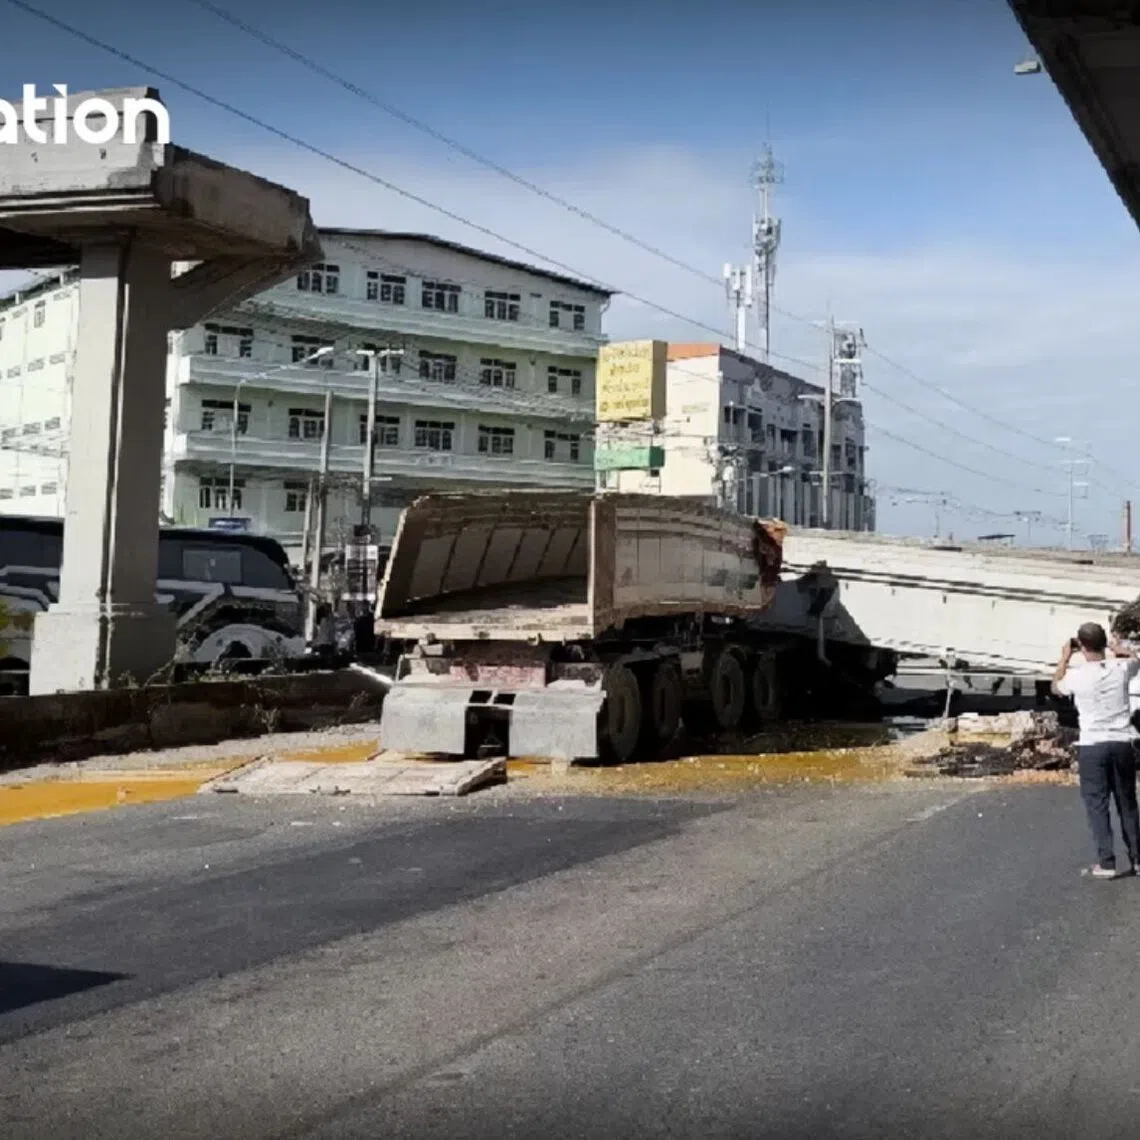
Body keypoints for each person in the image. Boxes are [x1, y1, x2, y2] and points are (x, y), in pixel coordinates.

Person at [1052, 622, 1140, 879]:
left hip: (1093, 744)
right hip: (1122, 741)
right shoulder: (1121, 668)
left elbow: (1055, 687)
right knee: (1127, 802)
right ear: (1103, 644)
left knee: (1096, 804)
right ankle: (1137, 858)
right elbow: (1135, 659)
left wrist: (1065, 658)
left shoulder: (1076, 675)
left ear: (1081, 646)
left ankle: (1107, 861)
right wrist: (1117, 647)